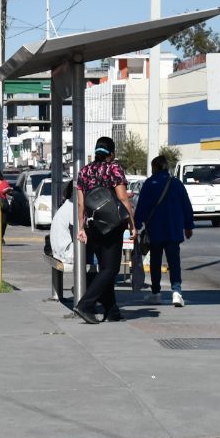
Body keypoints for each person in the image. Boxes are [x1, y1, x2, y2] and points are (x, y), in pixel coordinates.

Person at [73, 137, 135, 324]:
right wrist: (133, 224)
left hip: (93, 226)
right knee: (111, 268)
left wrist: (82, 227)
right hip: (112, 226)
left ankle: (111, 310)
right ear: (112, 153)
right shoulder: (113, 169)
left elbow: (81, 203)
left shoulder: (84, 171)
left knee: (104, 267)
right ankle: (85, 304)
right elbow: (124, 200)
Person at [134, 154, 194, 307]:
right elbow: (186, 206)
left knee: (155, 261)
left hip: (155, 230)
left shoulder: (149, 183)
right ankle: (176, 292)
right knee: (174, 262)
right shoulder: (176, 184)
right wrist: (188, 226)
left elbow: (142, 206)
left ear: (155, 167)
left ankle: (156, 292)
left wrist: (136, 224)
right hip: (173, 230)